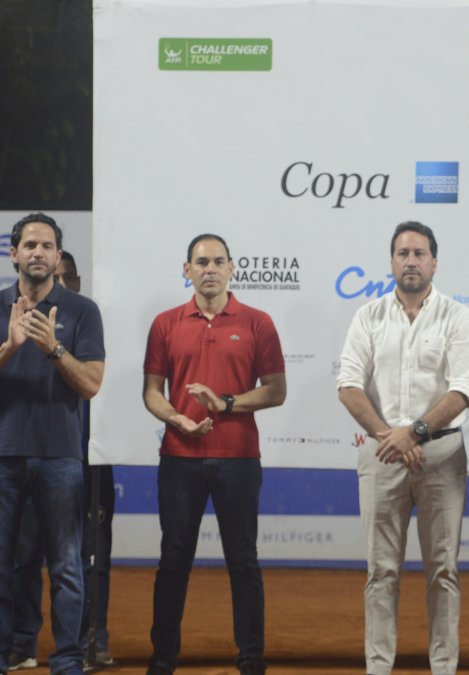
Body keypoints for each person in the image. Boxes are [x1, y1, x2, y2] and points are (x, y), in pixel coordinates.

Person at [337, 221, 469, 675]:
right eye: (403, 253)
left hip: (441, 456)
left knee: (444, 570)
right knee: (381, 572)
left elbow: (462, 390)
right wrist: (391, 436)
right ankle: (378, 668)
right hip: (382, 455)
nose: (411, 261)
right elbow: (348, 386)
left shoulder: (457, 316)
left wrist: (414, 432)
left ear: (434, 262)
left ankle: (444, 668)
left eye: (420, 253)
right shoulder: (368, 316)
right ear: (392, 261)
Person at [142, 234, 286, 675]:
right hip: (179, 457)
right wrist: (179, 420)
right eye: (200, 261)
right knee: (173, 559)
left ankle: (250, 658)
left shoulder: (258, 322)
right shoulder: (165, 323)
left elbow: (276, 391)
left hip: (239, 458)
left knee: (243, 560)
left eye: (217, 261)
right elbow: (151, 393)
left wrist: (224, 404)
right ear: (186, 269)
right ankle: (163, 657)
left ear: (232, 268)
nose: (209, 268)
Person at [1, 213, 106, 675]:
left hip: (62, 457)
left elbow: (92, 384)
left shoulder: (83, 311)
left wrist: (54, 350)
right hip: (3, 455)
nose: (38, 253)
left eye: (47, 246)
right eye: (29, 245)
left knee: (65, 567)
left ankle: (66, 662)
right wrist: (9, 347)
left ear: (58, 257)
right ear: (14, 254)